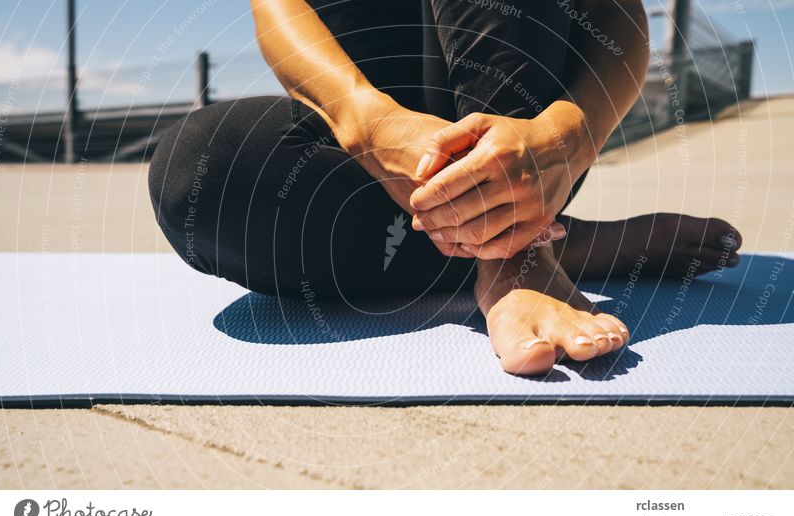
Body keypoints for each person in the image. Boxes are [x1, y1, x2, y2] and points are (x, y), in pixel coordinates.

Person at [148, 0, 742, 375]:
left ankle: (521, 256)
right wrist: (370, 127)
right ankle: (563, 243)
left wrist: (575, 133)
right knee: (196, 175)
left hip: (523, 124)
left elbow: (616, 13)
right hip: (369, 127)